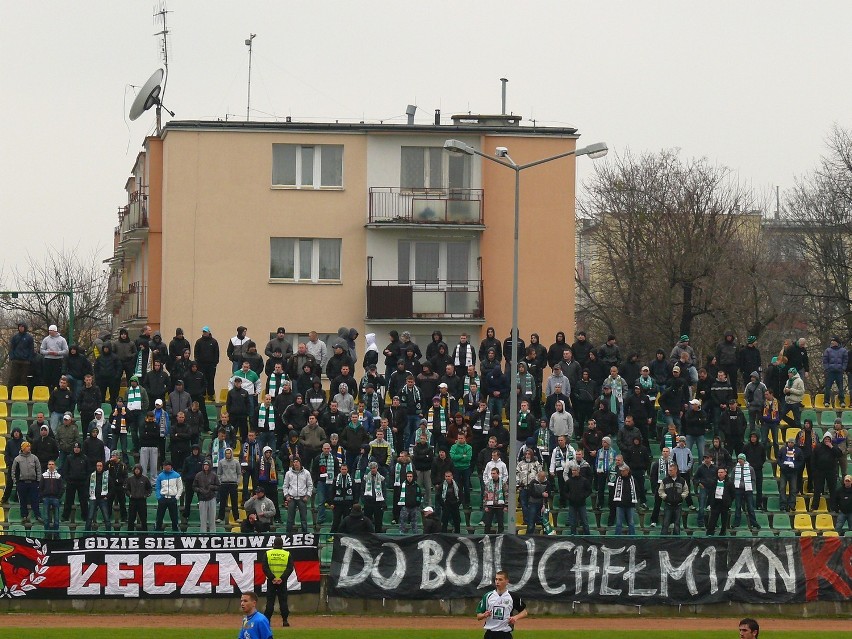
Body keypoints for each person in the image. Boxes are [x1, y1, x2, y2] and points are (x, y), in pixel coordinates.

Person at [476, 570, 527, 639]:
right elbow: (478, 616)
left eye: (500, 579)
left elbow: (524, 612)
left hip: (505, 634)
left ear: (506, 581)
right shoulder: (488, 596)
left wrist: (515, 618)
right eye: (496, 579)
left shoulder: (512, 597)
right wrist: (484, 615)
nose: (497, 582)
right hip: (490, 634)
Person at [261, 537, 293, 628]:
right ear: (282, 544)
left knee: (270, 601)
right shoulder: (287, 554)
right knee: (283, 601)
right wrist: (282, 578)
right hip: (282, 582)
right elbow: (290, 568)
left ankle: (267, 621)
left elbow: (265, 567)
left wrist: (272, 578)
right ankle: (285, 620)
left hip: (271, 581)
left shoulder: (268, 553)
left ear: (273, 544)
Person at [11, 441, 43, 524]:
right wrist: (16, 482)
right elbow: (13, 471)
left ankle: (37, 515)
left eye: (29, 446)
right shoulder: (17, 459)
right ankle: (24, 516)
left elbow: (38, 469)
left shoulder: (34, 458)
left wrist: (38, 480)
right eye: (27, 446)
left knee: (35, 500)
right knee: (22, 500)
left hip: (33, 482)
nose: (29, 448)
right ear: (23, 448)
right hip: (22, 482)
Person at [283, 458, 313, 533]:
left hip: (302, 498)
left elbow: (310, 485)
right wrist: (286, 496)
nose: (296, 463)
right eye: (294, 462)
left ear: (300, 463)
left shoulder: (306, 473)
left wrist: (307, 496)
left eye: (297, 462)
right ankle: (288, 535)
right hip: (292, 498)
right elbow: (285, 486)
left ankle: (305, 534)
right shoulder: (288, 473)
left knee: (304, 519)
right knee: (290, 519)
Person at [658, 463, 688, 535]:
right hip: (668, 505)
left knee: (677, 523)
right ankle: (663, 538)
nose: (669, 472)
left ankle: (676, 538)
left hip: (678, 505)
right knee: (665, 523)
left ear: (675, 470)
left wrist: (682, 496)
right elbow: (660, 490)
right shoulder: (665, 480)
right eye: (669, 470)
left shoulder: (682, 480)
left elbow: (686, 490)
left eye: (671, 470)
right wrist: (665, 496)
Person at [154, 459, 183, 532]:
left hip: (172, 499)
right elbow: (157, 487)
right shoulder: (160, 476)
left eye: (168, 466)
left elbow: (180, 488)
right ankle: (158, 533)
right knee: (159, 517)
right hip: (163, 498)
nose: (167, 467)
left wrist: (177, 497)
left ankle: (175, 533)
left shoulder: (177, 475)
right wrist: (159, 497)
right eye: (165, 466)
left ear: (171, 466)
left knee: (174, 518)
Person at [706, 466, 734, 536]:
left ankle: (723, 533)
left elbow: (733, 494)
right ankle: (710, 533)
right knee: (712, 519)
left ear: (725, 473)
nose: (720, 474)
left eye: (721, 472)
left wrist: (729, 501)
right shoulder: (714, 481)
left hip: (724, 503)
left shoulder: (729, 483)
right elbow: (710, 493)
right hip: (715, 502)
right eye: (719, 472)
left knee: (724, 520)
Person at [86, 459, 112, 531]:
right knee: (89, 518)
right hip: (93, 498)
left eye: (100, 466)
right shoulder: (91, 476)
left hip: (103, 499)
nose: (99, 467)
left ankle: (109, 536)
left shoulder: (107, 476)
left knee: (106, 518)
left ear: (103, 467)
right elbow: (86, 486)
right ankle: (86, 535)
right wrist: (88, 496)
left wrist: (107, 496)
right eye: (98, 466)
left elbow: (112, 488)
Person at [126, 463, 152, 531]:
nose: (137, 471)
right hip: (132, 501)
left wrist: (146, 495)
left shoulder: (145, 479)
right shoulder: (130, 479)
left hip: (142, 501)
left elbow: (149, 489)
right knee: (131, 519)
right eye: (135, 469)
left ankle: (145, 535)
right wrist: (130, 495)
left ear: (140, 470)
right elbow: (126, 489)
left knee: (143, 519)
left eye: (138, 469)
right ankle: (130, 535)